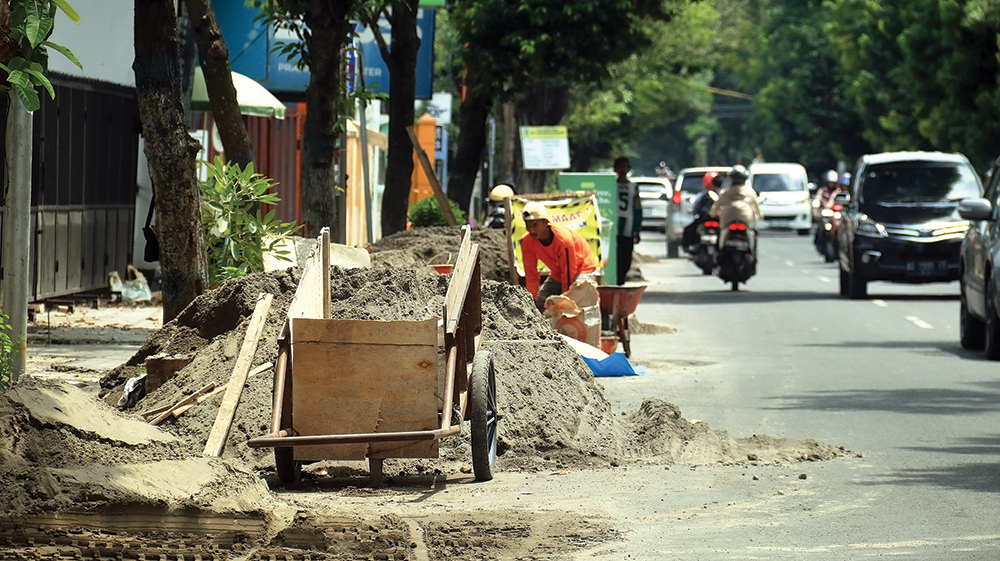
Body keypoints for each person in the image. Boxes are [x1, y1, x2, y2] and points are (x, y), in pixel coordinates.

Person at [520, 201, 599, 311]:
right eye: (527, 225)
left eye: (535, 225)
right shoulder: (527, 241)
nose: (531, 230)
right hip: (559, 272)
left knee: (575, 303)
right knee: (540, 304)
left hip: (583, 267)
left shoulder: (563, 240)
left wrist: (565, 299)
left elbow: (568, 274)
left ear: (546, 222)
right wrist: (532, 300)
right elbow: (531, 274)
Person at [710, 165, 761, 247]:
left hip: (727, 219)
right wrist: (760, 215)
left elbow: (715, 209)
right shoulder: (751, 192)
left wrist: (713, 214)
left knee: (721, 233)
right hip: (746, 219)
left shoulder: (724, 193)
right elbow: (757, 208)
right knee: (753, 234)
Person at [614, 156, 643, 285]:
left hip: (628, 227)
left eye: (624, 166)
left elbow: (637, 208)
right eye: (619, 166)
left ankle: (621, 278)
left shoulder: (633, 187)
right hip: (613, 227)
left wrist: (637, 228)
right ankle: (617, 280)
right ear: (615, 169)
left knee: (626, 257)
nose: (622, 169)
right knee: (616, 256)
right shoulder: (610, 185)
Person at [682, 171, 724, 252]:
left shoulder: (703, 195)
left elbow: (696, 209)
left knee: (689, 229)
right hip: (720, 221)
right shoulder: (725, 194)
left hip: (704, 220)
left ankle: (690, 247)